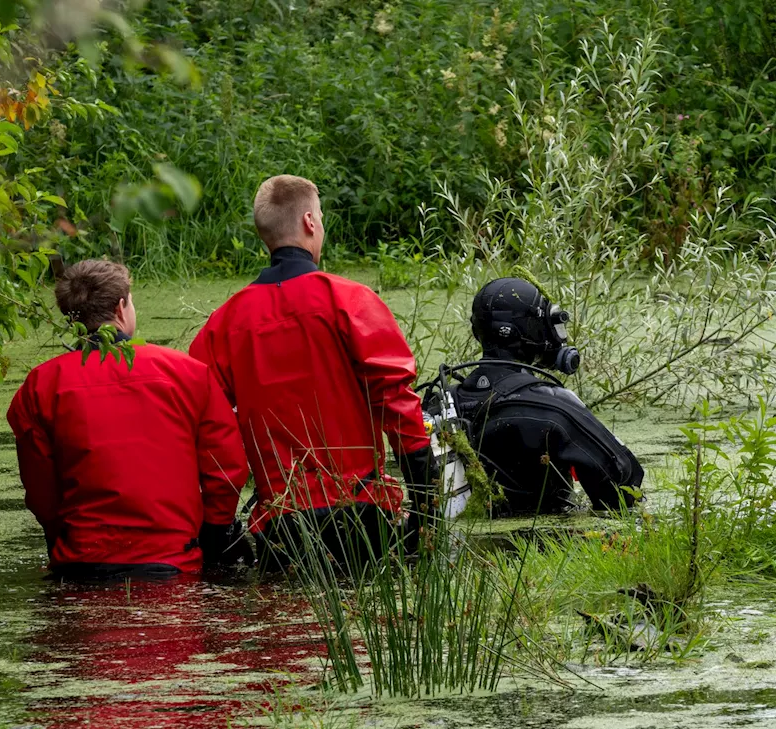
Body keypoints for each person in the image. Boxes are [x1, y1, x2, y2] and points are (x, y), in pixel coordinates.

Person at [189, 175, 435, 571]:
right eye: (320, 217)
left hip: (281, 525)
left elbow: (209, 431)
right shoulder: (350, 301)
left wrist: (217, 527)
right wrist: (426, 504)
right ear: (309, 222)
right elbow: (397, 402)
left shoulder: (224, 325)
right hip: (361, 515)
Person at [7, 260, 251, 580]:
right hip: (171, 561)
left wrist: (60, 540)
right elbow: (225, 469)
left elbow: (41, 491)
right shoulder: (188, 374)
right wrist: (216, 534)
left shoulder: (40, 386)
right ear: (122, 308)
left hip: (82, 564)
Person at [442, 277, 644, 515]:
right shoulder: (552, 406)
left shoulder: (442, 404)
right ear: (533, 329)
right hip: (546, 545)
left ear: (478, 330)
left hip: (455, 546)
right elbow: (623, 485)